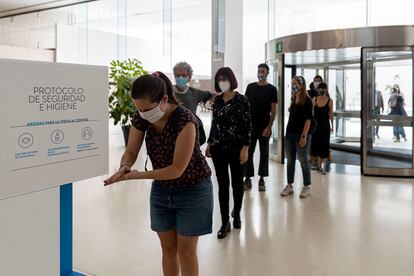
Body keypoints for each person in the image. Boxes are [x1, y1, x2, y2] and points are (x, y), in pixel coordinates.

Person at [104, 71, 213, 276]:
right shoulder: (142, 116)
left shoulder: (185, 120)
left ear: (164, 100)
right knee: (168, 249)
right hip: (162, 190)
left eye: (146, 109)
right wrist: (124, 166)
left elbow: (176, 169)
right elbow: (130, 151)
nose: (142, 113)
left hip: (193, 189)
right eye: (138, 109)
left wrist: (137, 176)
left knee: (186, 252)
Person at [205, 67, 252, 239]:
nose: (221, 82)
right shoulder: (217, 101)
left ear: (231, 80)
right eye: (219, 79)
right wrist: (210, 142)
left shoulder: (242, 100)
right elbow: (215, 122)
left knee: (237, 183)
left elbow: (248, 126)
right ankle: (225, 221)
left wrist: (246, 148)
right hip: (218, 148)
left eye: (224, 78)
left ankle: (237, 214)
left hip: (237, 148)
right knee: (222, 185)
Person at [243, 63, 277, 192]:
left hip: (264, 126)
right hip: (251, 126)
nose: (260, 73)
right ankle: (247, 179)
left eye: (263, 71)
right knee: (249, 152)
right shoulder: (250, 87)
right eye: (259, 71)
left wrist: (269, 127)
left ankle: (262, 179)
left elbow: (273, 111)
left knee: (264, 153)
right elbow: (245, 107)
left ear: (267, 73)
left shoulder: (272, 89)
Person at [280, 75, 313, 198]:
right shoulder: (293, 98)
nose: (293, 86)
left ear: (301, 85)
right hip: (290, 134)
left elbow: (308, 120)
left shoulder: (307, 101)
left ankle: (306, 186)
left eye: (295, 84)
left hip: (301, 134)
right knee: (290, 161)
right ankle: (289, 185)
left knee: (304, 160)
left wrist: (304, 136)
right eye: (292, 83)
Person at [310, 83, 333, 175]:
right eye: (320, 88)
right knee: (315, 144)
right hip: (315, 127)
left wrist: (332, 125)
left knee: (324, 145)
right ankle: (316, 165)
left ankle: (320, 166)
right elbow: (311, 113)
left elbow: (331, 114)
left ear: (326, 89)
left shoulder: (330, 101)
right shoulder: (314, 99)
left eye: (323, 88)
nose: (321, 90)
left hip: (325, 126)